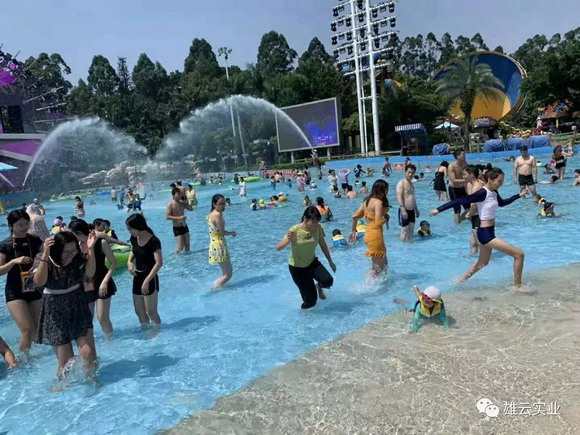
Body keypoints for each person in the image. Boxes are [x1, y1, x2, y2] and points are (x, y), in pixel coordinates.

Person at [430, 168, 528, 290]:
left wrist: (518, 195)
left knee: (483, 262)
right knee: (519, 254)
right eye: (499, 181)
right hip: (486, 235)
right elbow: (460, 200)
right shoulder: (482, 193)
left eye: (502, 181)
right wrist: (438, 209)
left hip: (489, 232)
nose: (501, 184)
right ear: (490, 179)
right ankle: (518, 287)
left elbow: (502, 203)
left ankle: (459, 282)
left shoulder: (494, 192)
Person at [32, 231, 99, 382]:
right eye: (66, 252)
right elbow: (39, 282)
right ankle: (61, 385)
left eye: (73, 250)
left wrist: (91, 249)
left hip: (77, 304)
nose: (70, 255)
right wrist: (45, 254)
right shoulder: (44, 258)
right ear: (57, 250)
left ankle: (91, 378)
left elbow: (89, 275)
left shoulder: (77, 257)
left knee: (88, 353)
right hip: (54, 309)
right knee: (66, 362)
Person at [0, 210, 43, 352]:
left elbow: (48, 253)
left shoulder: (34, 240)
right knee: (27, 329)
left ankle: (35, 356)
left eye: (26, 224)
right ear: (11, 226)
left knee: (39, 327)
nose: (24, 227)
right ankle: (24, 359)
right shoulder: (5, 245)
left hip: (32, 286)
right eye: (20, 225)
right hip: (15, 291)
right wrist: (13, 261)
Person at [276, 206, 336, 308]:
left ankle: (319, 287)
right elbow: (278, 247)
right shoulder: (295, 230)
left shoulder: (318, 228)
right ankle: (303, 314)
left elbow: (323, 244)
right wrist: (289, 240)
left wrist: (330, 261)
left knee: (328, 281)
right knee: (311, 302)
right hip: (297, 269)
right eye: (312, 221)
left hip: (312, 263)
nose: (315, 224)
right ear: (305, 218)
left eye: (317, 221)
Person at [126, 214, 163, 329]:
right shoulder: (134, 238)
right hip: (137, 276)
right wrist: (129, 262)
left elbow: (159, 263)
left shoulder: (154, 241)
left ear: (138, 226)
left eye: (130, 228)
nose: (129, 231)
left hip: (150, 278)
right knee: (139, 311)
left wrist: (146, 281)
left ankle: (156, 333)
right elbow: (133, 250)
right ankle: (145, 331)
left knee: (151, 311)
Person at [350, 180, 390, 276]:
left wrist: (353, 230)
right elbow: (378, 222)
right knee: (378, 267)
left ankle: (382, 283)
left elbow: (355, 216)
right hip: (376, 235)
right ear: (383, 190)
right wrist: (386, 218)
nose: (387, 192)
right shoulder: (378, 202)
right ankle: (368, 284)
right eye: (387, 189)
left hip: (368, 234)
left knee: (383, 263)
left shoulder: (366, 201)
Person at [89, 218, 117, 339]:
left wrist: (105, 281)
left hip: (102, 279)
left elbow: (113, 263)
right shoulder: (79, 245)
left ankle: (110, 341)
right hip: (87, 283)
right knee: (87, 318)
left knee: (102, 318)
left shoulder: (102, 242)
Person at [208, 194, 236, 288]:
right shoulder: (217, 215)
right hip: (219, 245)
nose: (223, 206)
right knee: (229, 274)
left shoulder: (212, 213)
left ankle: (217, 287)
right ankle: (215, 289)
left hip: (214, 244)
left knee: (224, 273)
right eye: (220, 204)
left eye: (224, 203)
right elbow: (222, 232)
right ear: (214, 204)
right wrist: (232, 233)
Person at [396, 165, 420, 242]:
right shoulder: (401, 183)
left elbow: (412, 197)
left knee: (411, 230)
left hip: (412, 210)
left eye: (412, 173)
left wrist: (416, 209)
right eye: (409, 172)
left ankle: (410, 246)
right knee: (404, 231)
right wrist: (403, 210)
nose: (410, 174)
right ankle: (402, 247)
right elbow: (399, 196)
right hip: (404, 210)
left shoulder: (411, 184)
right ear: (405, 172)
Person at [464, 165, 484, 256]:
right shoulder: (478, 183)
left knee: (480, 243)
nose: (463, 177)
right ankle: (471, 259)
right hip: (477, 216)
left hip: (479, 216)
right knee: (473, 243)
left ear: (471, 174)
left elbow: (474, 205)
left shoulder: (476, 187)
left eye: (465, 174)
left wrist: (469, 214)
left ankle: (490, 261)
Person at [166, 187, 193, 254]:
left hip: (184, 226)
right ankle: (173, 256)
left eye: (180, 194)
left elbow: (191, 209)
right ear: (173, 195)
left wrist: (186, 203)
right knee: (180, 247)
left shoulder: (181, 203)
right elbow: (167, 217)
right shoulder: (170, 204)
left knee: (187, 245)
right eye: (178, 194)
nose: (180, 195)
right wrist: (179, 218)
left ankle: (188, 259)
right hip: (177, 228)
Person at [447, 150, 469, 224]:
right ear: (458, 156)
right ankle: (457, 226)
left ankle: (460, 220)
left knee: (469, 209)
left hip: (462, 189)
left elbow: (468, 175)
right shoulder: (451, 166)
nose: (465, 156)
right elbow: (453, 180)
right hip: (454, 189)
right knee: (457, 210)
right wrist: (466, 180)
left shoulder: (465, 164)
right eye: (463, 154)